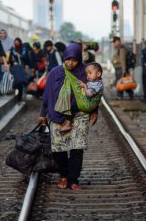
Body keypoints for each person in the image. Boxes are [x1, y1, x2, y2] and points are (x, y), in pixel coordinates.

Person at [39, 43, 98, 190]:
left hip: (80, 114)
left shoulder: (85, 72)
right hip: (58, 115)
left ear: (79, 58)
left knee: (77, 148)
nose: (70, 63)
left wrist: (95, 110)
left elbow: (94, 92)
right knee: (58, 149)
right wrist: (42, 113)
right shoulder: (55, 72)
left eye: (74, 60)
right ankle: (64, 174)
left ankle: (73, 179)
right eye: (67, 59)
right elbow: (46, 95)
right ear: (64, 57)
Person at [58, 62, 104, 133]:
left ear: (98, 74)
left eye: (90, 73)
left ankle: (67, 124)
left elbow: (89, 94)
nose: (88, 76)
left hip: (88, 105)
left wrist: (84, 86)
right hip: (90, 104)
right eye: (87, 74)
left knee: (72, 104)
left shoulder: (97, 85)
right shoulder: (96, 82)